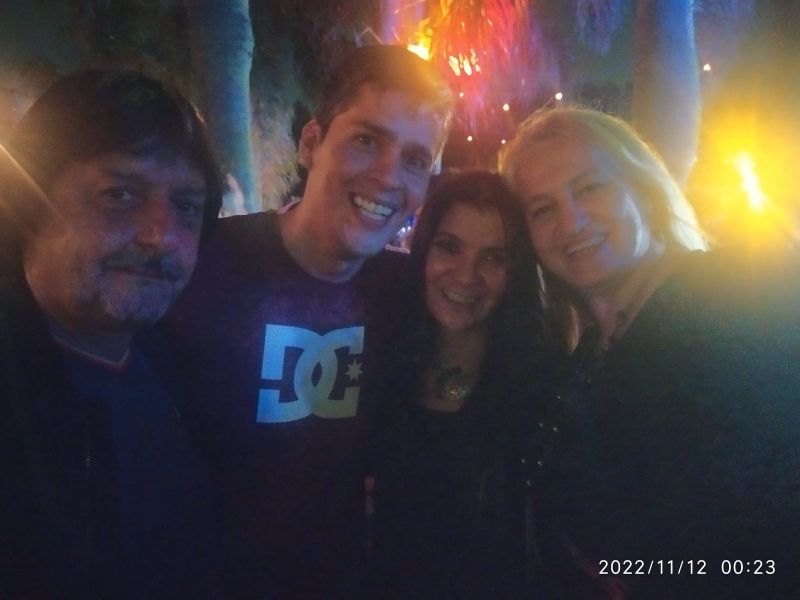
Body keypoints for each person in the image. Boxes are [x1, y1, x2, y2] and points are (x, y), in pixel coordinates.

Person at [166, 44, 454, 597]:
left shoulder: (409, 293)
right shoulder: (202, 264)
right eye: (366, 140)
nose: (388, 177)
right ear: (311, 143)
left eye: (415, 160)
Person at [499, 105, 800, 599]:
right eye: (542, 209)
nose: (570, 223)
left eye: (589, 188)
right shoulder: (589, 349)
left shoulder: (744, 300)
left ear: (642, 188)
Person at [0, 70, 224, 598]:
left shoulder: (170, 358)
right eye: (119, 194)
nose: (160, 235)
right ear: (30, 202)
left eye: (186, 207)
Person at [368, 171, 541, 598]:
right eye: (449, 247)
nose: (466, 276)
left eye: (492, 257)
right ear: (423, 250)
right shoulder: (381, 362)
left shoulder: (538, 388)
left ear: (514, 271)